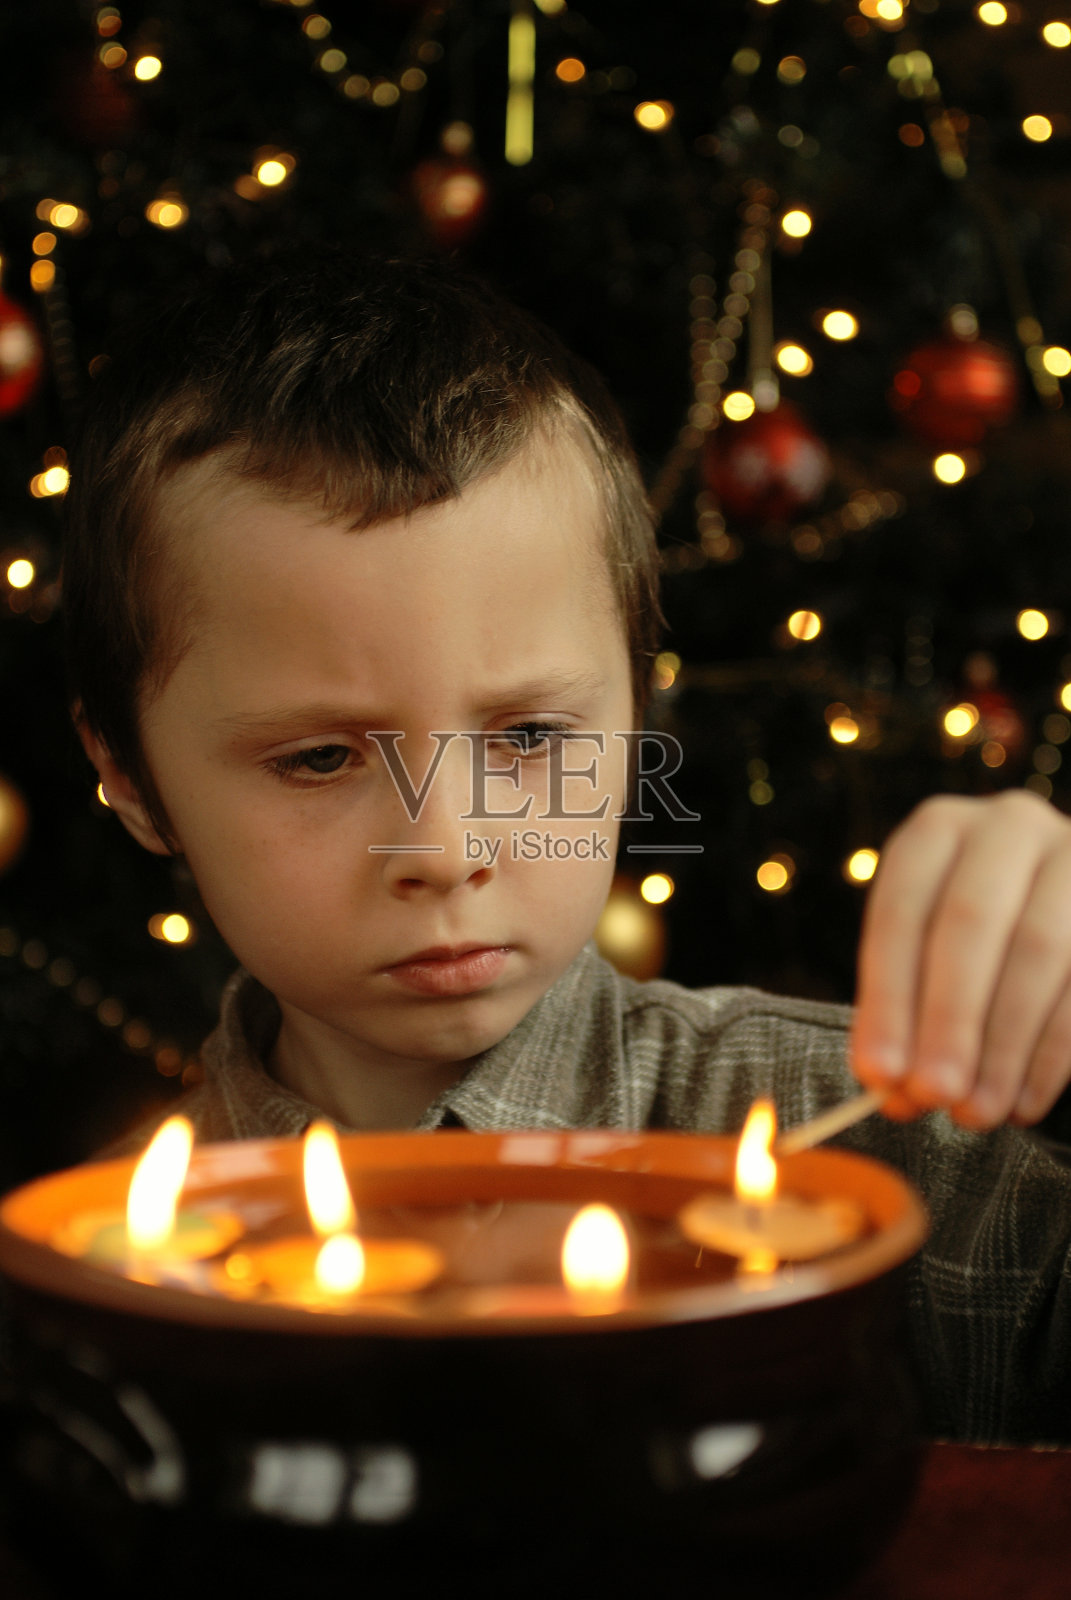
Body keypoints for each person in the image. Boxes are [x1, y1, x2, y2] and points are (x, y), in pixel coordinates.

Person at [64, 250, 1071, 1444]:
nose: (445, 850)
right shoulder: (98, 1284)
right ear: (131, 779)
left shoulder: (912, 1170)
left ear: (633, 715)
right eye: (320, 759)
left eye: (533, 735)